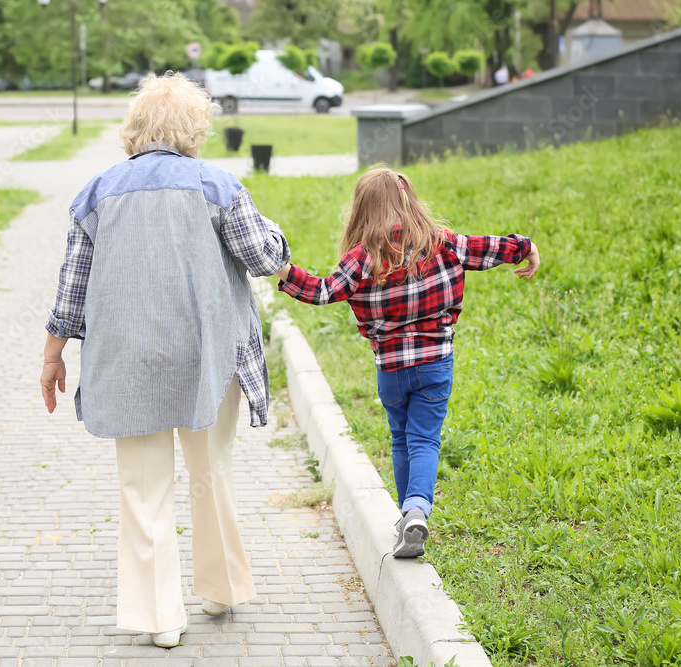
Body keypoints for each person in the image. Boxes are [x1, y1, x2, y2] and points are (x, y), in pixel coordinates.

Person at [40, 72, 290, 648]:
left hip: (126, 359)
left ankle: (159, 619)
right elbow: (263, 257)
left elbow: (71, 289)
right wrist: (272, 226)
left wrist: (53, 355)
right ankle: (221, 588)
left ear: (134, 131)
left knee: (142, 486)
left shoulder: (96, 192)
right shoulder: (218, 185)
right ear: (193, 131)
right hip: (208, 357)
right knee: (210, 474)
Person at [274, 167, 540, 558]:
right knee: (425, 440)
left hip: (392, 370)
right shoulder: (442, 243)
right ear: (409, 201)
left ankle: (406, 516)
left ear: (362, 211)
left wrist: (281, 267)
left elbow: (322, 291)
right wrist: (525, 247)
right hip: (436, 364)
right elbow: (487, 248)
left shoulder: (362, 259)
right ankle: (417, 510)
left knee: (401, 438)